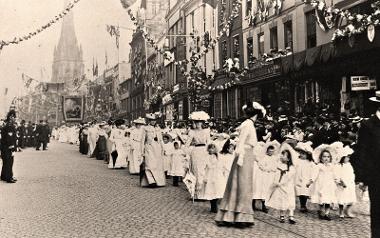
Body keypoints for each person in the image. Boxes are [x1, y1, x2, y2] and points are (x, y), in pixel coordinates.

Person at [215, 101, 266, 227]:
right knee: (243, 185)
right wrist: (241, 158)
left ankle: (234, 215)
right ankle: (240, 217)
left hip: (246, 155)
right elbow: (241, 143)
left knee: (240, 184)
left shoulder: (247, 124)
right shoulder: (248, 125)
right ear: (257, 115)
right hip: (244, 156)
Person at [353, 91, 380, 237]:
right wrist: (362, 177)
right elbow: (362, 152)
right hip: (376, 176)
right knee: (377, 210)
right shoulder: (368, 125)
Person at [266, 143, 298, 224]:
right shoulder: (279, 165)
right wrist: (276, 182)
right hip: (280, 186)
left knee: (290, 200)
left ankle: (291, 215)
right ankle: (282, 215)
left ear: (288, 159)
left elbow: (289, 177)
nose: (281, 156)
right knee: (282, 200)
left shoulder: (291, 167)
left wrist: (282, 182)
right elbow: (276, 173)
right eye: (281, 154)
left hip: (288, 186)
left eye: (284, 155)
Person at [186, 111, 211, 199]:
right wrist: (186, 153)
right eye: (196, 122)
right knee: (196, 171)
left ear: (203, 123)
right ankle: (197, 194)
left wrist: (210, 152)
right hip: (196, 151)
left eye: (199, 122)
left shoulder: (207, 131)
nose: (198, 124)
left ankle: (203, 193)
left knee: (203, 171)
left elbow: (209, 142)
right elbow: (187, 143)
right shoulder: (192, 132)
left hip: (204, 151)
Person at [140, 113, 166, 187]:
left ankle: (158, 181)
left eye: (154, 120)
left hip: (157, 149)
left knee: (157, 165)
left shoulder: (158, 128)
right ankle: (151, 181)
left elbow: (161, 140)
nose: (153, 122)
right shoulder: (145, 128)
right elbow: (142, 140)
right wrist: (142, 151)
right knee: (149, 165)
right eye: (151, 120)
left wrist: (163, 148)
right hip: (149, 148)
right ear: (149, 120)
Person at [1, 110, 18, 183]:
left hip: (4, 147)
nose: (15, 119)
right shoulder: (10, 126)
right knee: (9, 162)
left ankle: (4, 176)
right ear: (11, 117)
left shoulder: (7, 125)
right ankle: (9, 177)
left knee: (5, 162)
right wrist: (12, 148)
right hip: (8, 148)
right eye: (14, 117)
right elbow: (10, 138)